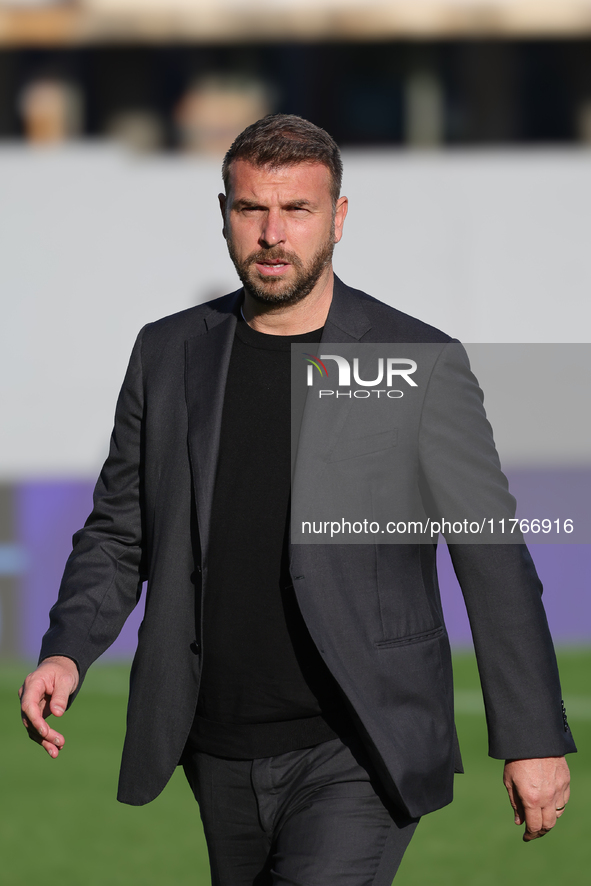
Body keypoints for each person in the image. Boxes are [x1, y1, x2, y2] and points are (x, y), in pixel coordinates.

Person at [20, 115, 575, 886]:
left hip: (359, 742)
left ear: (338, 219)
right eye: (252, 210)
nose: (272, 233)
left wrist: (531, 736)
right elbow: (121, 530)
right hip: (214, 745)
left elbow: (491, 554)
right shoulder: (167, 352)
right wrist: (66, 648)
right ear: (223, 215)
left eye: (298, 210)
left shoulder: (414, 361)